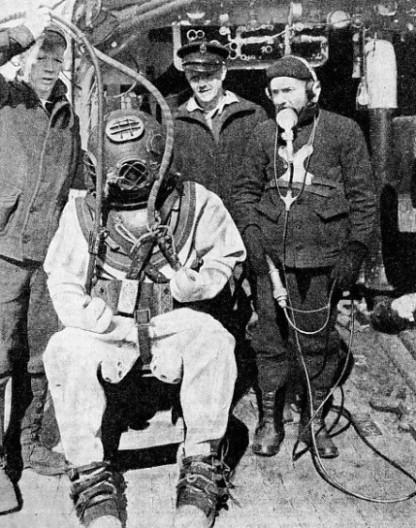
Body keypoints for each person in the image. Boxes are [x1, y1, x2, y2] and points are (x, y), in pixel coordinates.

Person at [42, 108, 246, 528]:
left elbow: (226, 256)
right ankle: (91, 472)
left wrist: (201, 283)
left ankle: (201, 461)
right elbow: (62, 281)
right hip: (108, 328)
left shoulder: (195, 201)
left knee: (212, 338)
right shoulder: (82, 213)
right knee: (64, 349)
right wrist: (89, 317)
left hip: (173, 323)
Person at [231, 55, 376, 459]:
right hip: (272, 264)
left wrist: (355, 251)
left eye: (289, 90)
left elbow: (364, 200)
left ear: (310, 89)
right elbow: (244, 192)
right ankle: (271, 420)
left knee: (317, 344)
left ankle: (313, 421)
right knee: (270, 344)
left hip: (323, 262)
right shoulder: (263, 135)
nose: (282, 99)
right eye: (275, 93)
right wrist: (254, 240)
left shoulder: (343, 132)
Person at [0, 2, 82, 513]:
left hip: (48, 258)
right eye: (41, 58)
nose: (50, 67)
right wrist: (21, 33)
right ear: (24, 64)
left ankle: (26, 444)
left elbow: (77, 180)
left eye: (58, 59)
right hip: (3, 252)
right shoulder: (7, 100)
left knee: (37, 358)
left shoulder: (69, 117)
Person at [174, 39, 267, 211]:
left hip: (245, 219)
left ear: (223, 72)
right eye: (194, 77)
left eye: (209, 75)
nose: (202, 84)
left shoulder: (253, 114)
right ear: (186, 77)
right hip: (198, 222)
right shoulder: (175, 122)